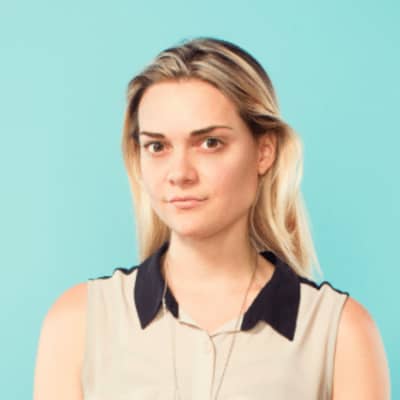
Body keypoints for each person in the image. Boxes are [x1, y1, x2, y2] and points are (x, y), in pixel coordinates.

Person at [33, 37, 391, 400]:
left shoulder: (340, 333)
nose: (180, 174)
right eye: (157, 146)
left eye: (210, 143)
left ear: (264, 152)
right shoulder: (78, 323)